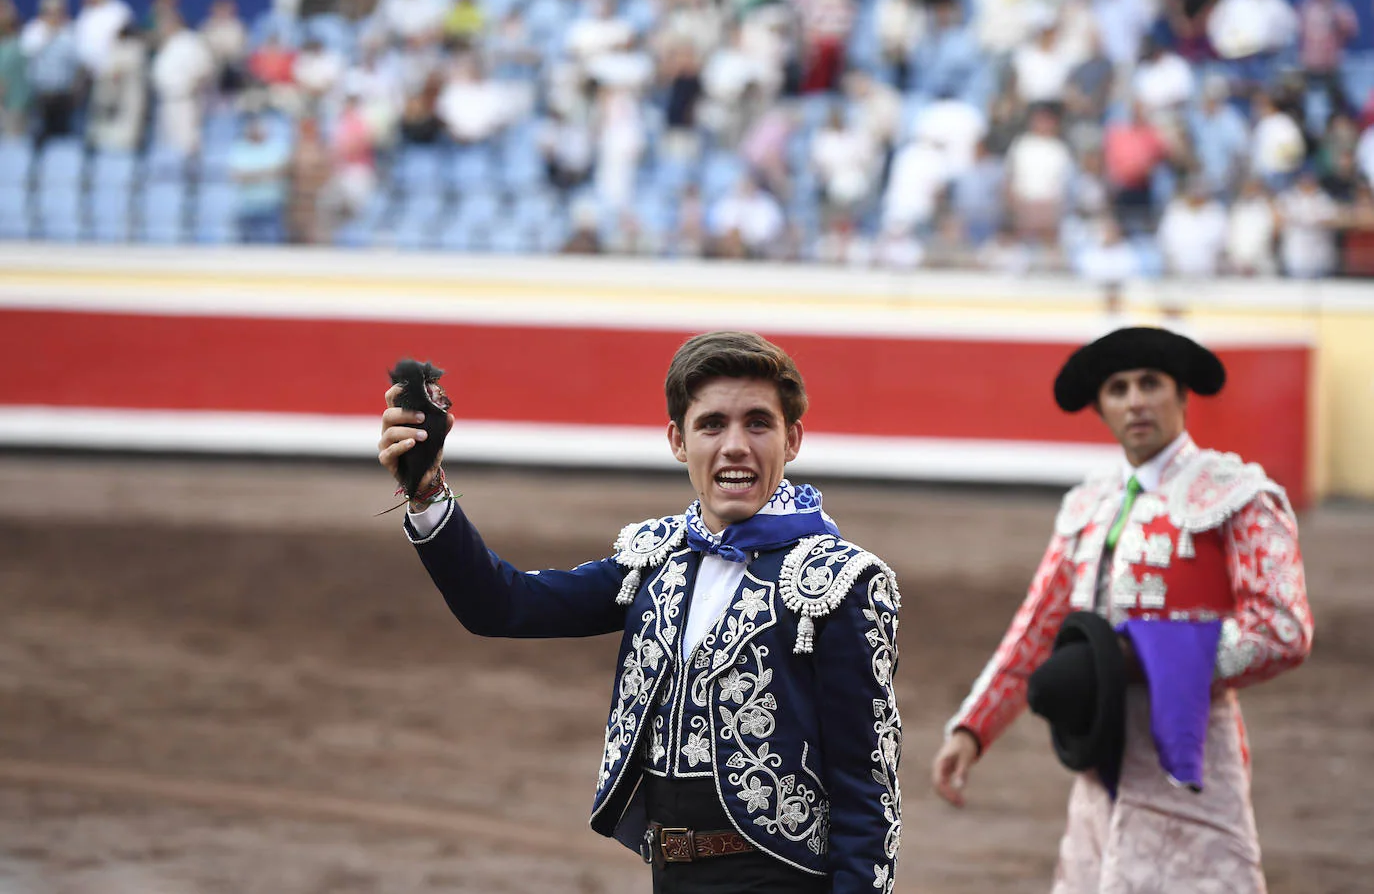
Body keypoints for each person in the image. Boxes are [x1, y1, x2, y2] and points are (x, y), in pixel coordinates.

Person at [377, 331, 903, 893]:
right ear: (678, 440)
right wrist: (428, 491)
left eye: (757, 423)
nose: (734, 446)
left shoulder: (842, 582)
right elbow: (502, 605)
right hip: (670, 876)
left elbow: (867, 790)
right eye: (711, 425)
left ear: (791, 438)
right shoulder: (654, 562)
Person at [930, 326, 1313, 892]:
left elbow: (1283, 628)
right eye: (1117, 389)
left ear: (1182, 396)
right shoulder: (1089, 503)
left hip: (1189, 750)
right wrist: (972, 729)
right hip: (1099, 751)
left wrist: (1143, 659)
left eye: (1150, 384)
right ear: (1100, 409)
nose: (1135, 400)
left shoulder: (1237, 494)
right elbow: (1036, 630)